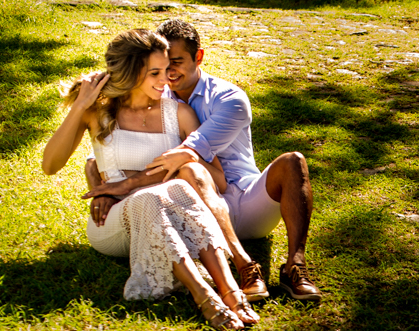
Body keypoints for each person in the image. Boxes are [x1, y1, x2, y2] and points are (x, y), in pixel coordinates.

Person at [84, 18, 321, 303]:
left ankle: (295, 266)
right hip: (190, 207)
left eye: (177, 62)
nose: (169, 72)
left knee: (293, 161)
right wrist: (103, 189)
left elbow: (190, 152)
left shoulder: (229, 98)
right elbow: (107, 151)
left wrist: (125, 185)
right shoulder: (155, 94)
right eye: (162, 64)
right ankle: (243, 267)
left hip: (243, 201)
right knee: (188, 172)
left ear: (199, 56)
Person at [43, 29, 258, 331]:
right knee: (150, 197)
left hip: (172, 216)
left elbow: (217, 180)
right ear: (131, 73)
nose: (165, 79)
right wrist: (79, 106)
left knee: (176, 185)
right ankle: (205, 296)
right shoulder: (98, 112)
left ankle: (232, 292)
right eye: (154, 73)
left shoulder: (179, 113)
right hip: (113, 224)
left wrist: (177, 164)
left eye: (167, 69)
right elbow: (50, 165)